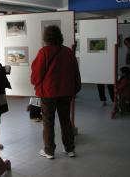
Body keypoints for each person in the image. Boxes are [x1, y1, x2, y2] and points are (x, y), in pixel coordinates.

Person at [31, 25, 81, 159]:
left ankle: (49, 151)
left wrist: (35, 83)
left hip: (48, 93)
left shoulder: (44, 52)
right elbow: (75, 71)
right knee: (66, 120)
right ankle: (70, 149)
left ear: (46, 37)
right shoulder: (68, 52)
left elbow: (37, 73)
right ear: (60, 36)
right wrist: (75, 88)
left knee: (48, 122)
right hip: (66, 92)